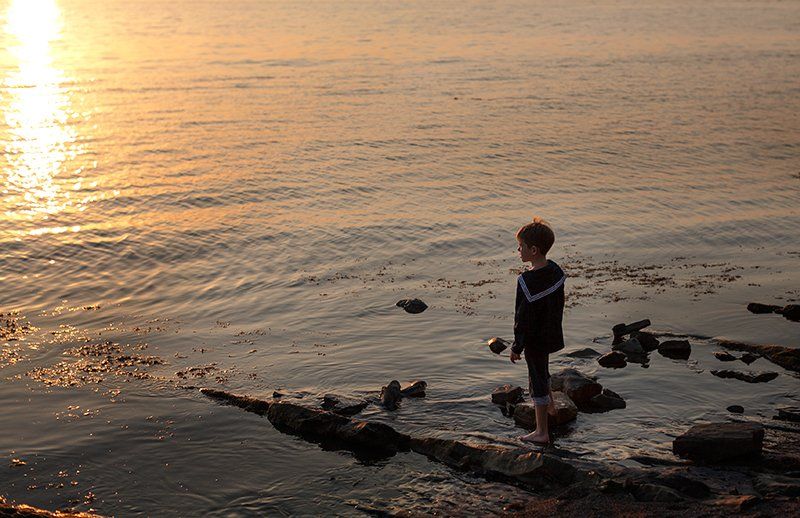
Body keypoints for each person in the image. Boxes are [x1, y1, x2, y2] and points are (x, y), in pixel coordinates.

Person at [509, 217, 566, 445]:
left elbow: (522, 318)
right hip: (551, 334)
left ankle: (541, 432)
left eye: (521, 246)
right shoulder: (556, 272)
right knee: (543, 370)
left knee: (537, 380)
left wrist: (517, 346)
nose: (518, 250)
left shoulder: (526, 281)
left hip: (534, 339)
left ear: (533, 250)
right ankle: (550, 407)